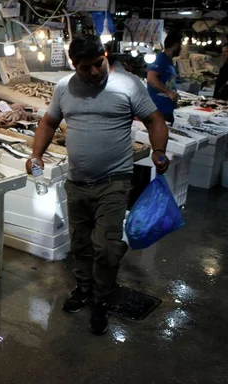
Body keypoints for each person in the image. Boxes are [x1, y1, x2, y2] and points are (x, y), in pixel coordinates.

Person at [26, 35, 169, 335]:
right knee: (81, 244)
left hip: (114, 182)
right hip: (76, 182)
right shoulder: (64, 87)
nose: (94, 72)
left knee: (104, 247)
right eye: (85, 68)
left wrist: (158, 150)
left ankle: (102, 300)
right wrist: (35, 154)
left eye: (98, 64)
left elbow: (154, 119)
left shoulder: (128, 85)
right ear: (73, 65)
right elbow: (49, 123)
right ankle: (84, 288)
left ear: (105, 56)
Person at [147, 31, 182, 124]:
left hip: (167, 109)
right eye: (181, 46)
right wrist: (169, 92)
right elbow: (151, 78)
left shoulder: (168, 61)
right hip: (159, 109)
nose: (181, 49)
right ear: (175, 45)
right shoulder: (161, 58)